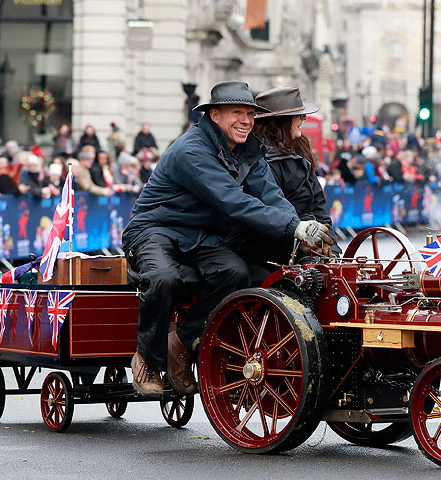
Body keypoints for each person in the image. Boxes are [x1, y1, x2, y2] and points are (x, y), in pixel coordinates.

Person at [122, 81, 332, 398]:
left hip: (200, 235)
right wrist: (296, 229)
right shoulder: (192, 150)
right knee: (162, 278)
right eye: (237, 113)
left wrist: (300, 228)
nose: (246, 120)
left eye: (250, 114)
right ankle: (148, 359)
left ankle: (180, 342)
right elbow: (233, 201)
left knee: (236, 272)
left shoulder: (250, 149)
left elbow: (272, 197)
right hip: (156, 228)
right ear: (215, 115)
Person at [248, 86, 341, 265]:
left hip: (310, 242)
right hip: (279, 249)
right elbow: (269, 213)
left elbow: (318, 207)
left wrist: (333, 249)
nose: (304, 119)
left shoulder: (300, 150)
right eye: (299, 115)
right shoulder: (256, 159)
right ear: (278, 122)